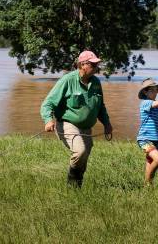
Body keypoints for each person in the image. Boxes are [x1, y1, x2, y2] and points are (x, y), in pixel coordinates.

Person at [41, 50, 113, 187]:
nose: (97, 68)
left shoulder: (96, 82)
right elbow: (48, 103)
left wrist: (107, 123)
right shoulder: (67, 80)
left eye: (97, 64)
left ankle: (76, 188)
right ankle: (71, 185)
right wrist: (48, 120)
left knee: (84, 157)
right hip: (67, 123)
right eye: (93, 65)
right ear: (82, 65)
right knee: (80, 152)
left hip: (86, 127)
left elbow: (101, 107)